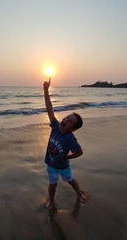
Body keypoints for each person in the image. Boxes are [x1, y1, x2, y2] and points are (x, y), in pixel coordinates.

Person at [43, 78, 87, 209]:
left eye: (70, 121)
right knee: (52, 184)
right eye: (67, 117)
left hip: (63, 166)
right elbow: (49, 108)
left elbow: (79, 152)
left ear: (72, 128)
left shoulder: (70, 138)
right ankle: (51, 201)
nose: (66, 120)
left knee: (71, 181)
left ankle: (79, 194)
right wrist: (46, 90)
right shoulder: (55, 126)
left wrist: (67, 157)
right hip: (51, 164)